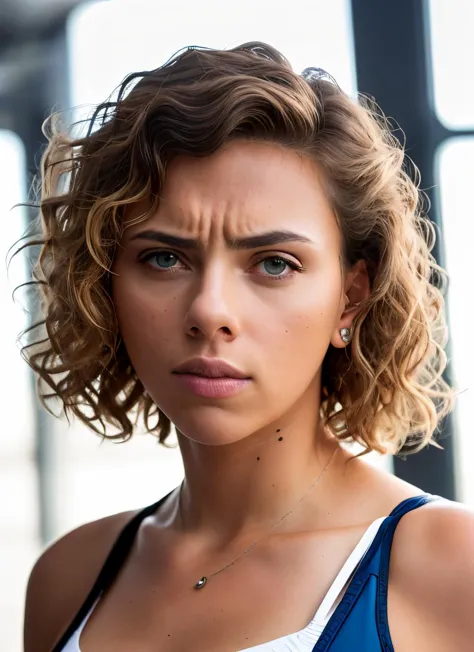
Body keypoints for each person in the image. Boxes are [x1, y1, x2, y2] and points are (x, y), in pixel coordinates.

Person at [22, 42, 473, 652]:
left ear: (351, 298)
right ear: (104, 282)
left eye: (273, 264)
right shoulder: (68, 579)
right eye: (163, 257)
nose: (210, 310)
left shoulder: (450, 571)